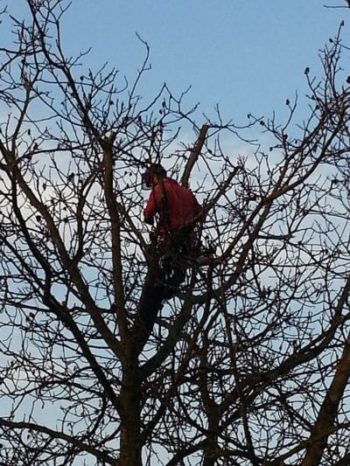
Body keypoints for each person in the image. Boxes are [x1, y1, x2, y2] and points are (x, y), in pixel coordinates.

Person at [142, 163, 202, 297]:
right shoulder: (185, 191)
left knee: (160, 262)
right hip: (188, 237)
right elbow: (199, 212)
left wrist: (148, 217)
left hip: (170, 234)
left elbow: (149, 211)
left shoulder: (160, 189)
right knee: (178, 265)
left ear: (154, 177)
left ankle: (160, 288)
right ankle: (172, 283)